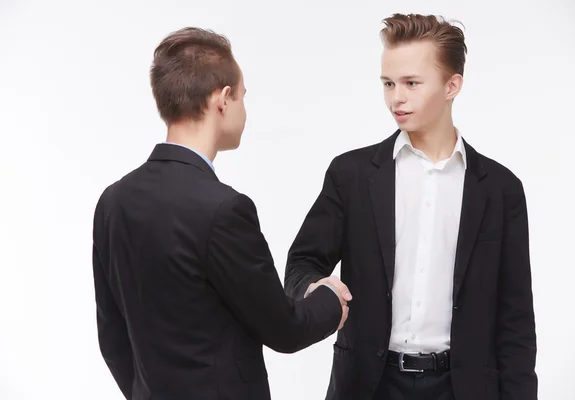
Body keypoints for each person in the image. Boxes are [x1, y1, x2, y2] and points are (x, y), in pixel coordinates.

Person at [284, 13, 537, 400]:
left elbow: (516, 320)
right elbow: (302, 263)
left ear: (452, 85)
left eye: (411, 83)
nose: (395, 98)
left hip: (463, 388)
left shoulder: (501, 190)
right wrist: (316, 289)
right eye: (388, 83)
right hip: (368, 385)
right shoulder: (350, 174)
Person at [92, 27, 351, 400]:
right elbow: (283, 329)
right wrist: (330, 298)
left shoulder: (113, 201)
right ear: (223, 99)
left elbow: (112, 337)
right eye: (243, 96)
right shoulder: (224, 210)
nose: (244, 109)